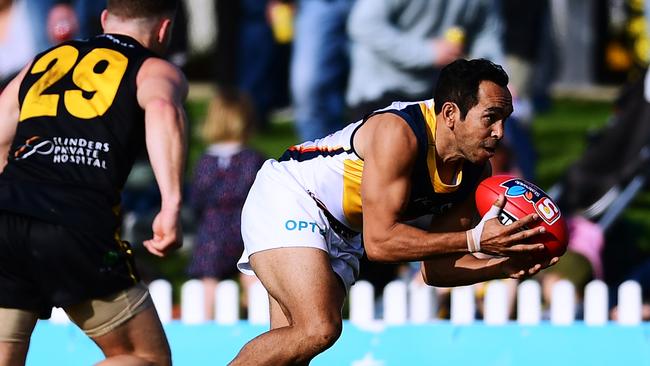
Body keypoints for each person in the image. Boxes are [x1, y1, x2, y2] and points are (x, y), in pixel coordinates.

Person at [231, 58, 559, 365]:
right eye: (490, 118)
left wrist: (505, 265)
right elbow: (380, 244)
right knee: (318, 328)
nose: (500, 132)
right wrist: (475, 240)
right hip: (293, 196)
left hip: (344, 231)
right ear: (449, 114)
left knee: (293, 351)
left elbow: (437, 271)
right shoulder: (399, 133)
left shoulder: (474, 171)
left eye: (505, 120)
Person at [0, 1, 187, 365]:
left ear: (104, 20)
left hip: (6, 217)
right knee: (144, 357)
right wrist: (171, 204)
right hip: (75, 224)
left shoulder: (46, 60)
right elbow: (163, 110)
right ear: (164, 29)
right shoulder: (153, 69)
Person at [346, 0, 505, 121]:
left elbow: (486, 33)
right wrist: (426, 53)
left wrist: (496, 78)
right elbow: (363, 24)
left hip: (435, 95)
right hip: (379, 91)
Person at [187, 90, 266, 319]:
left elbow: (197, 197)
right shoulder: (254, 159)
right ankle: (256, 314)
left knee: (208, 280)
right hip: (246, 226)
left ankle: (205, 318)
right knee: (252, 274)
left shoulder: (205, 160)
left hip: (211, 229)